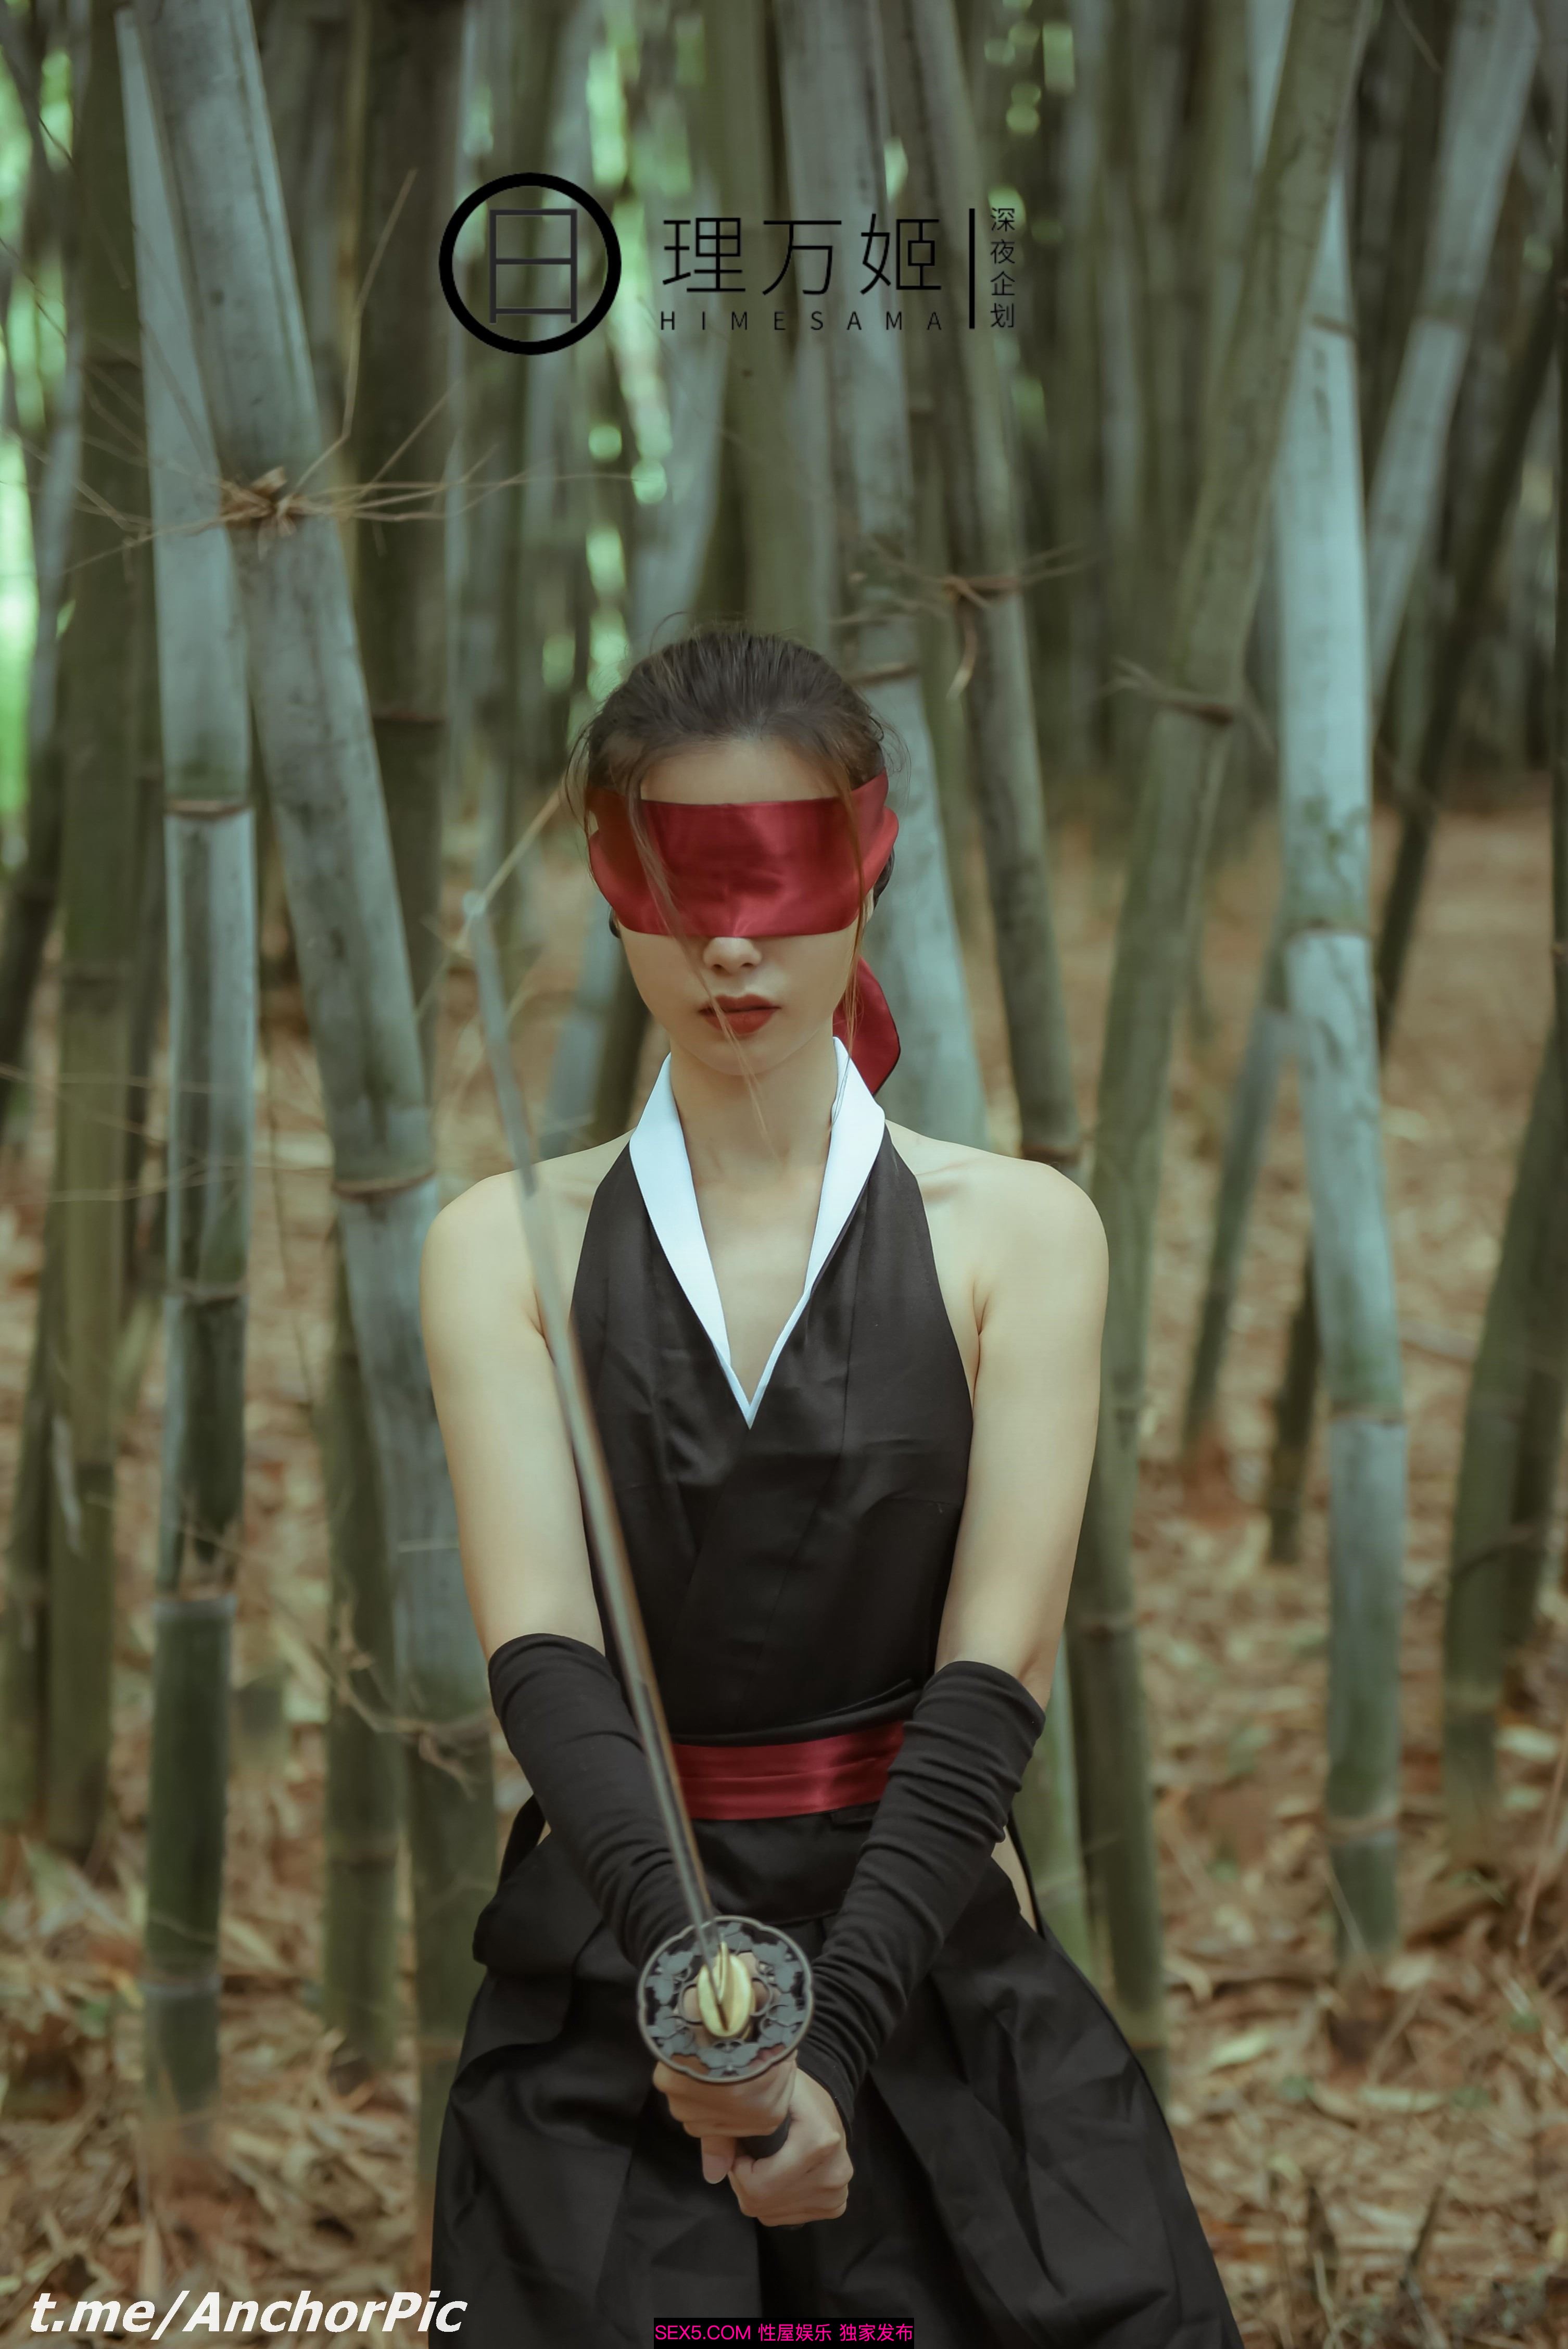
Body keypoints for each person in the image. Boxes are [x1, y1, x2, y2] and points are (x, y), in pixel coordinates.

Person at [421, 629, 1243, 2345]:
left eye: (779, 878)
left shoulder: (1020, 1235)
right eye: (682, 882)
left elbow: (995, 1669)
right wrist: (710, 2016)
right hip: (621, 1945)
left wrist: (831, 2037)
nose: (730, 940)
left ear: (865, 869)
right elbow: (545, 1660)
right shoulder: (500, 1246)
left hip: (921, 1939)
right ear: (610, 885)